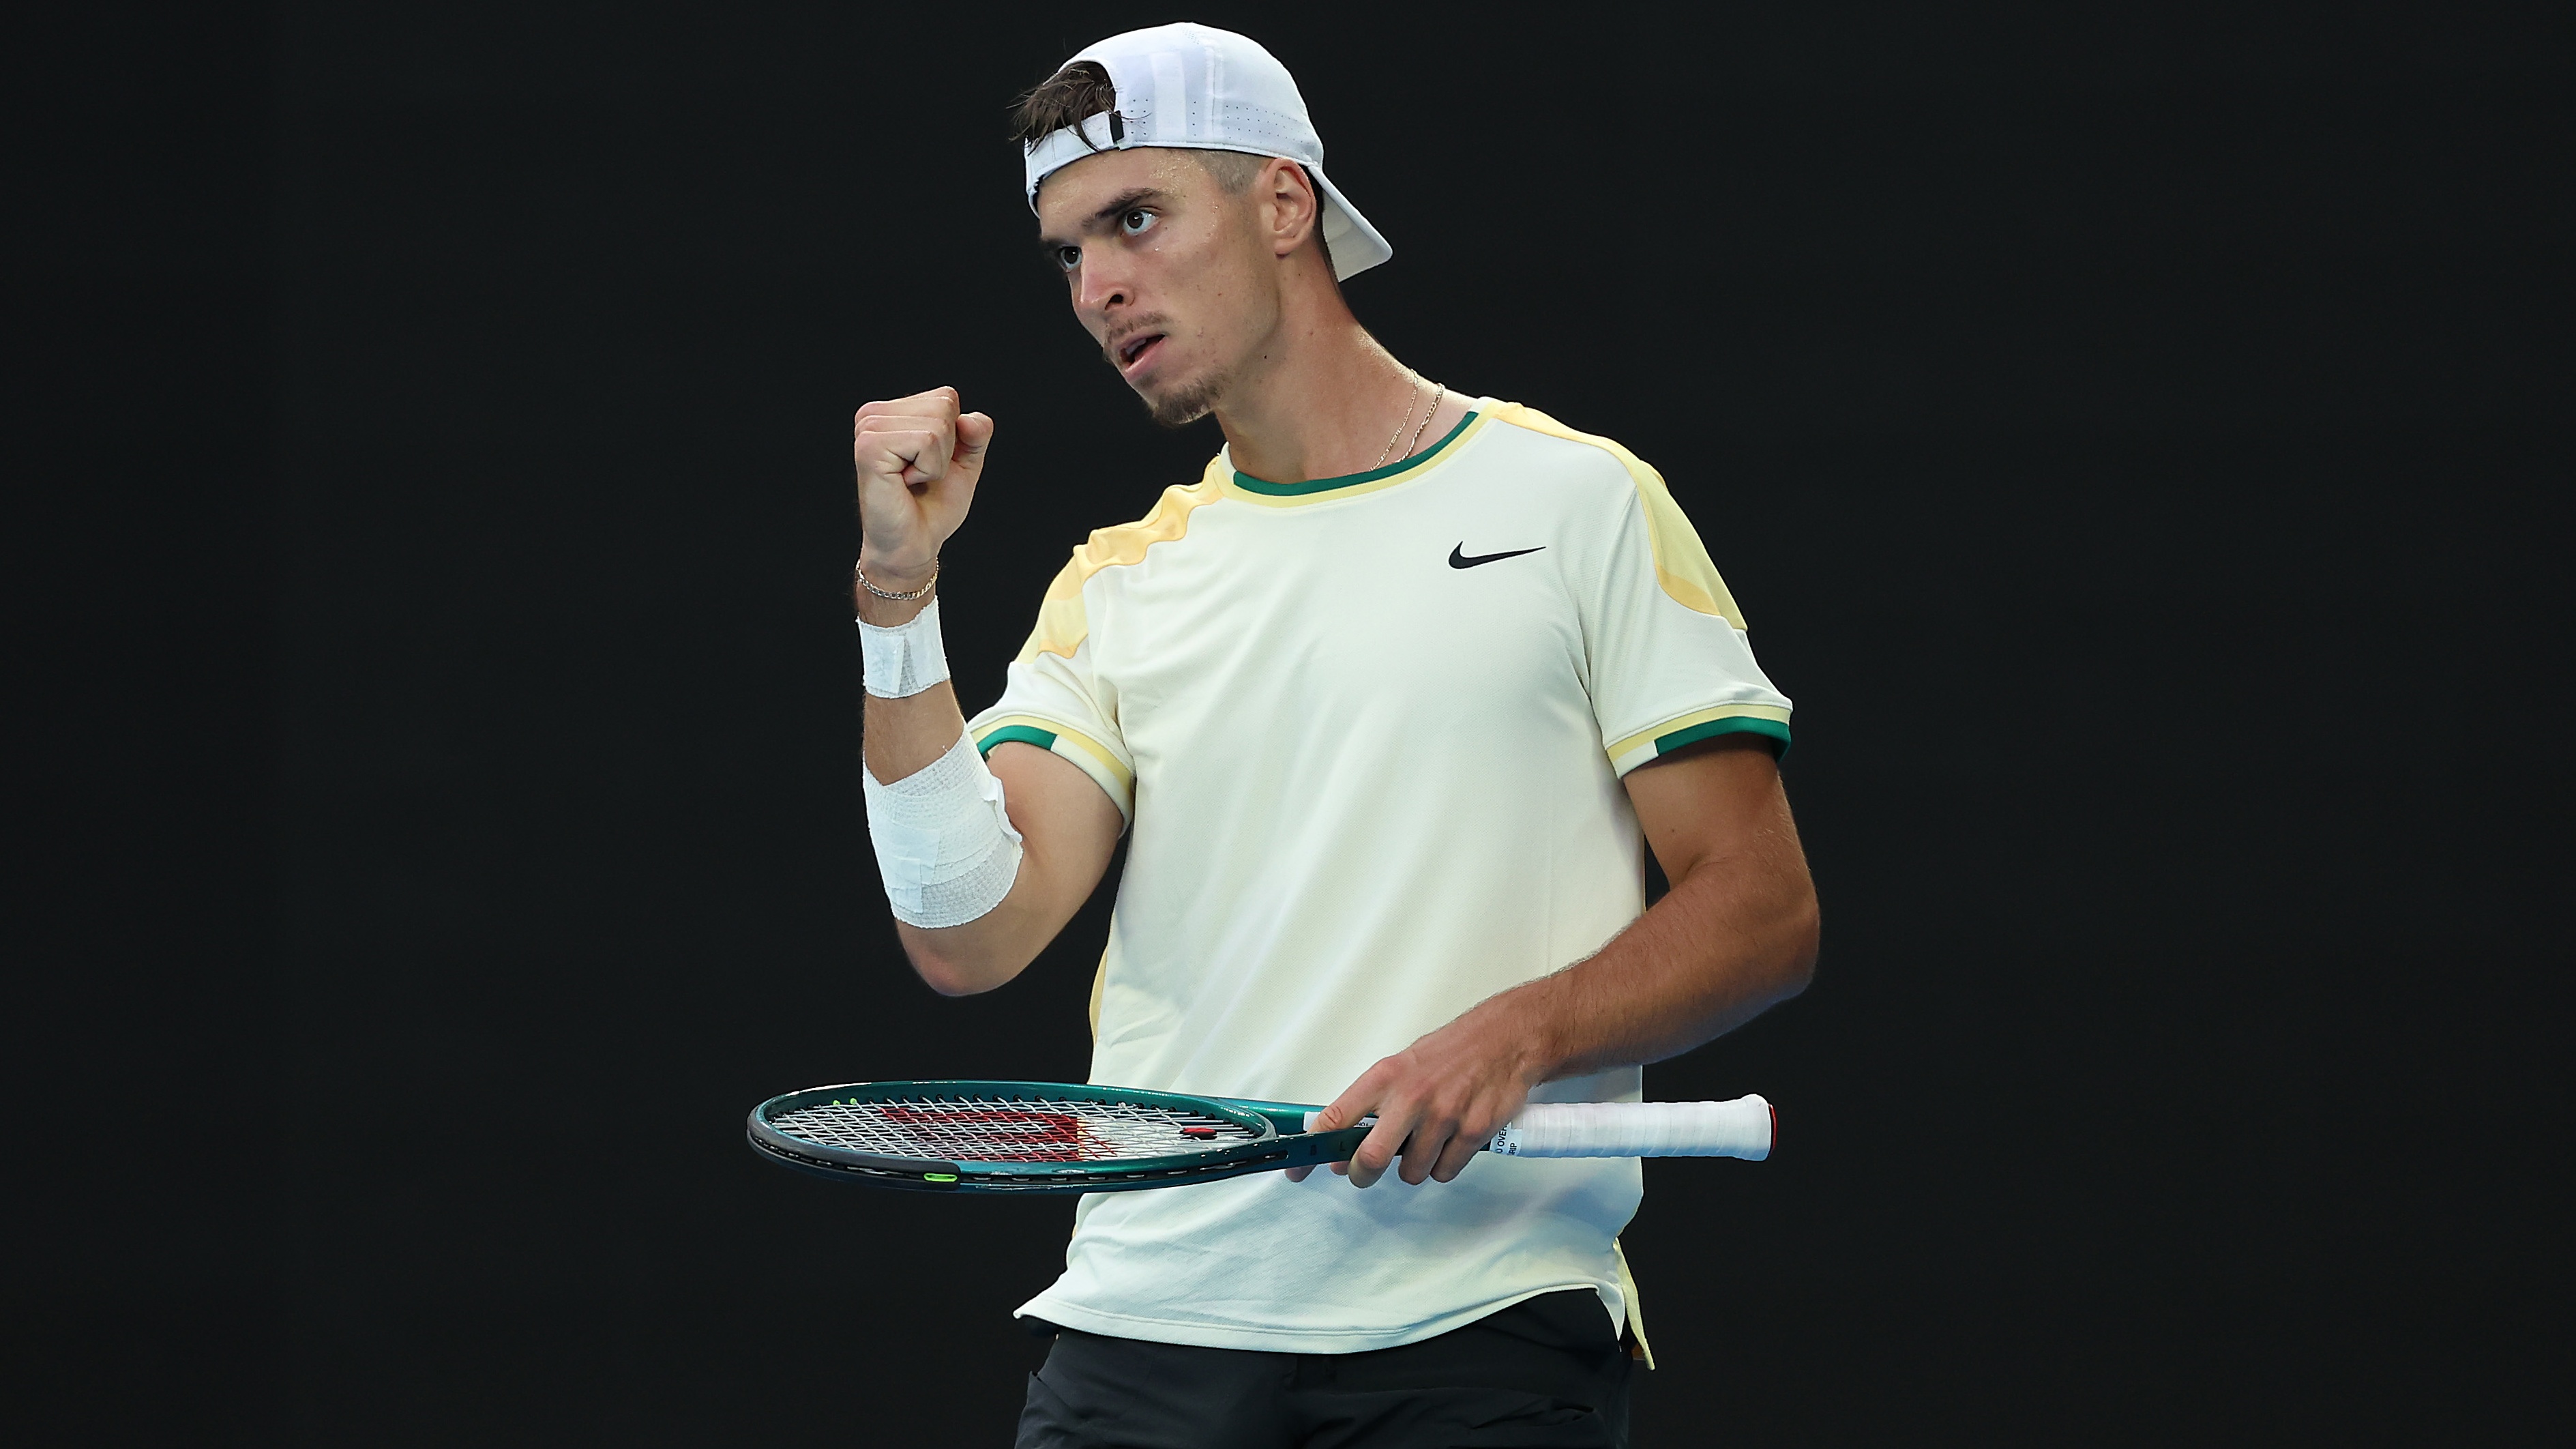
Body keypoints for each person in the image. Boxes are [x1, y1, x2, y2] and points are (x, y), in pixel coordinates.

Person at [849, 23, 1818, 1447]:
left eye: (1135, 218)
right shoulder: (1119, 582)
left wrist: (1520, 1031)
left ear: (1283, 205)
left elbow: (1762, 910)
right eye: (1068, 254)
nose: (1101, 285)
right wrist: (895, 596)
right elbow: (963, 931)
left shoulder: (1578, 506)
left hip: (1472, 1339)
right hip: (1142, 1337)